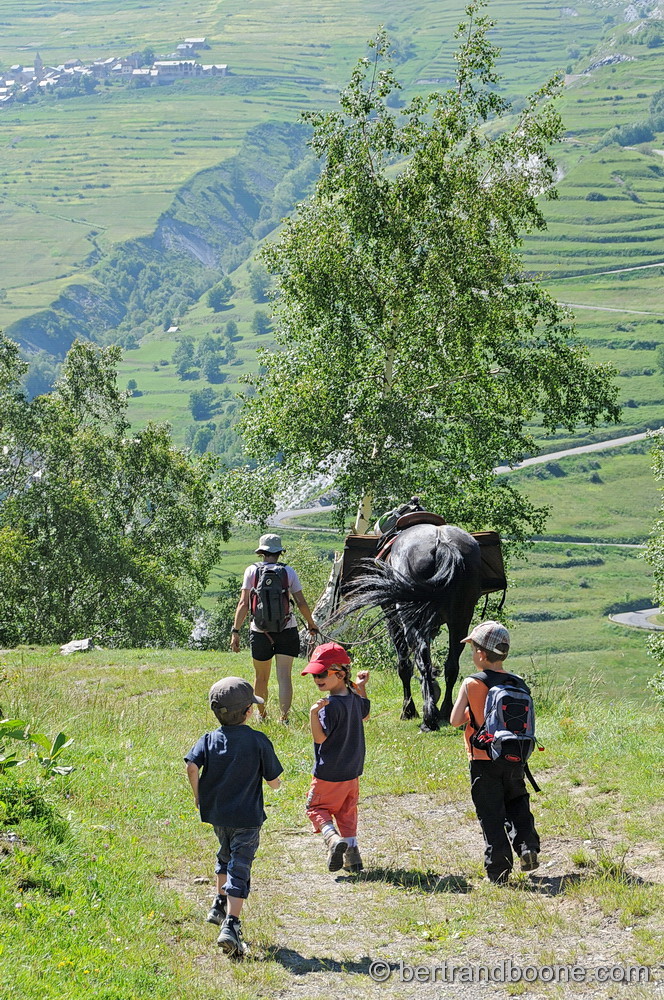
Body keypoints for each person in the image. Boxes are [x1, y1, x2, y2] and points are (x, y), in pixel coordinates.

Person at [185, 676, 283, 958]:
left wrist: (198, 795)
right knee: (240, 865)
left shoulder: (208, 739)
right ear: (249, 711)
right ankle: (232, 925)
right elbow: (274, 779)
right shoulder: (257, 740)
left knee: (224, 855)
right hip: (247, 818)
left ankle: (218, 903)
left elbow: (192, 765)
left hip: (218, 814)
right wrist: (276, 786)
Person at [450, 621, 540, 884]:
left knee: (491, 814)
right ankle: (528, 847)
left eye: (473, 649)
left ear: (480, 653)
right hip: (514, 756)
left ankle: (498, 871)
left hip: (482, 759)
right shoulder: (518, 682)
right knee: (516, 802)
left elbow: (455, 720)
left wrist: (474, 714)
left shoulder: (472, 683)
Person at [230, 533, 318, 723]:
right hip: (287, 628)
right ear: (279, 552)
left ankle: (262, 715)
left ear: (261, 552)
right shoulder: (289, 572)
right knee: (284, 677)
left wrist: (235, 631)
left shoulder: (251, 571)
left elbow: (243, 604)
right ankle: (284, 718)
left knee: (261, 677)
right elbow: (301, 602)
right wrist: (311, 624)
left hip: (260, 631)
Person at [302, 642, 370, 873]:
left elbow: (320, 738)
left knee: (315, 807)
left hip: (328, 772)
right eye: (314, 675)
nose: (317, 678)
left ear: (340, 674)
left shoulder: (328, 707)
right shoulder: (353, 698)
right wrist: (361, 687)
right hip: (352, 771)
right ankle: (353, 859)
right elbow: (366, 714)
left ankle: (332, 840)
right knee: (346, 812)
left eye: (322, 673)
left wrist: (313, 714)